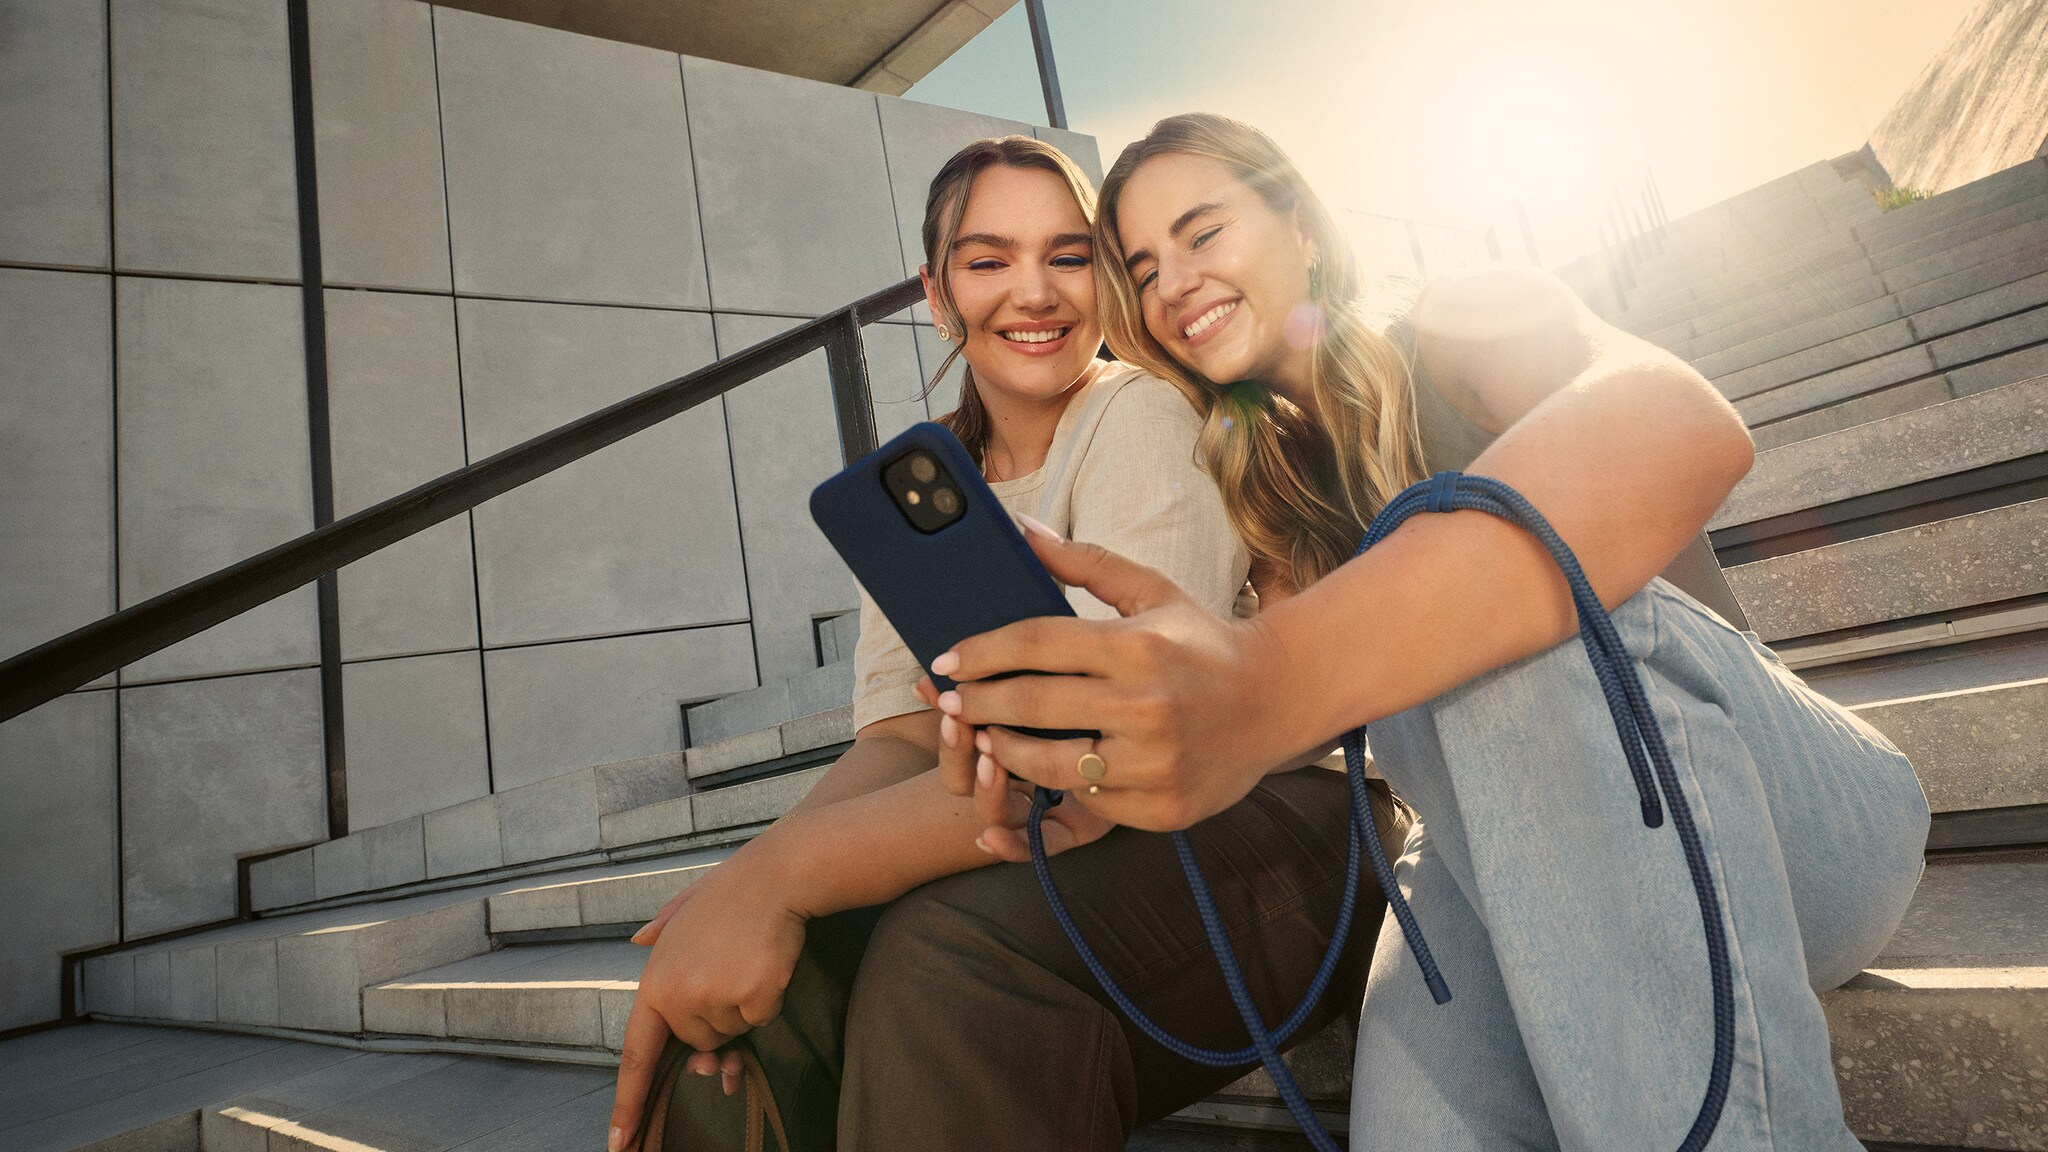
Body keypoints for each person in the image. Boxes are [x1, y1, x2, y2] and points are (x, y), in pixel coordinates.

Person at [928, 113, 1930, 1150]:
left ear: (1300, 228)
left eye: (1201, 233)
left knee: (1493, 630)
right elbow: (1275, 730)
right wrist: (1116, 776)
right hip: (1501, 864)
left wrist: (1265, 675)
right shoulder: (1255, 491)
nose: (1172, 280)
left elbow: (1680, 420)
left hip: (1769, 815)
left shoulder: (1458, 323)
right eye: (1140, 267)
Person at [608, 133, 1408, 1152]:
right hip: (1076, 828)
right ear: (937, 294)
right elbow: (897, 738)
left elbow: (1101, 748)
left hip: (1276, 815)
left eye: (1067, 255)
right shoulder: (923, 485)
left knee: (942, 956)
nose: (1032, 292)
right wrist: (749, 886)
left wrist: (782, 876)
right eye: (987, 261)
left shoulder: (1141, 412)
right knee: (762, 995)